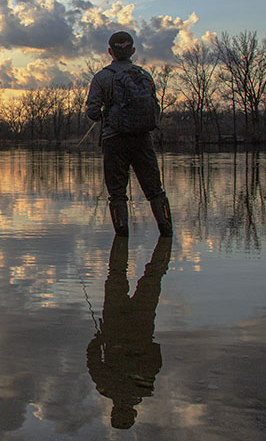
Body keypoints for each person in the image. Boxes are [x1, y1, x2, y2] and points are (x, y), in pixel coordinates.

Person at [85, 30, 172, 236]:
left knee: (117, 195)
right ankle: (167, 234)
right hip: (143, 140)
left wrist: (104, 115)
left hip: (114, 141)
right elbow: (154, 108)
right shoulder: (145, 76)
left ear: (109, 52)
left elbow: (92, 112)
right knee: (155, 191)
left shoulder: (102, 77)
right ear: (132, 51)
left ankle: (121, 243)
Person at [86, 234, 172, 429]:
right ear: (114, 410)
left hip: (141, 325)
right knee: (117, 274)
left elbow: (156, 356)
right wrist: (100, 338)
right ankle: (163, 238)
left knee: (152, 275)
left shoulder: (145, 386)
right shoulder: (105, 386)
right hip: (116, 325)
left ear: (132, 412)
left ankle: (144, 241)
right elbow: (92, 356)